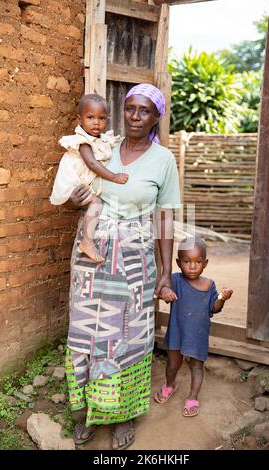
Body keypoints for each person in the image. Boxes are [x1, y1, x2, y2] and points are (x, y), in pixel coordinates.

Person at [63, 83, 181, 449]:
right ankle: (84, 412)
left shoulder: (164, 160)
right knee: (86, 334)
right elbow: (77, 193)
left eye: (144, 110)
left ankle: (122, 415)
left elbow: (164, 218)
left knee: (127, 337)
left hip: (135, 259)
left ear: (156, 117)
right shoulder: (103, 146)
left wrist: (164, 272)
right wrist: (73, 200)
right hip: (91, 255)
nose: (134, 116)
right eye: (130, 108)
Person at [155, 236, 233, 417]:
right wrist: (164, 292)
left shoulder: (209, 285)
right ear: (178, 262)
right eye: (186, 261)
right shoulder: (174, 280)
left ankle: (193, 396)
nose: (192, 266)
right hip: (177, 332)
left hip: (197, 335)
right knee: (172, 365)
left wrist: (221, 299)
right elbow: (159, 291)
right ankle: (170, 385)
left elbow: (214, 308)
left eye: (197, 262)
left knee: (197, 367)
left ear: (205, 263)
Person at [50, 93, 128, 262]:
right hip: (72, 183)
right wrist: (114, 177)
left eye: (102, 118)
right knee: (96, 202)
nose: (96, 122)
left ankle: (88, 242)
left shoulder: (98, 139)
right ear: (79, 119)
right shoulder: (82, 141)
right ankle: (87, 243)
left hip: (82, 179)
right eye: (90, 117)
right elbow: (92, 164)